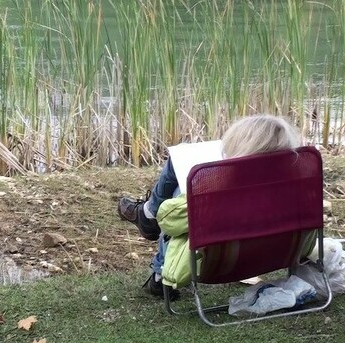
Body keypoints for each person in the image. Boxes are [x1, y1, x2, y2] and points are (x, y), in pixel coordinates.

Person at [117, 114, 303, 299]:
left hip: (218, 264)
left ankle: (156, 256)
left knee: (177, 204)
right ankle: (148, 215)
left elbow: (169, 221)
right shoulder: (296, 191)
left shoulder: (218, 197)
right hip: (271, 258)